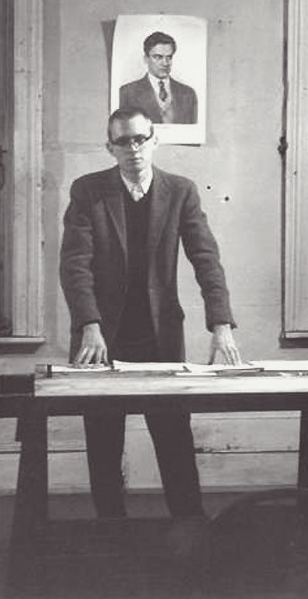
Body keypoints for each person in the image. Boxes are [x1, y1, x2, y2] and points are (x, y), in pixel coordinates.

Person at [60, 107, 240, 519]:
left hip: (160, 336)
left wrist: (221, 325)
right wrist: (89, 325)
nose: (133, 148)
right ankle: (112, 532)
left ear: (155, 140)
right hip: (102, 338)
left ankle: (191, 528)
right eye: (123, 141)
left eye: (140, 139)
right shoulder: (88, 191)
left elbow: (206, 259)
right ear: (110, 147)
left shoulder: (180, 191)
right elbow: (74, 265)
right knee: (104, 442)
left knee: (174, 437)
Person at [118, 32, 198, 124]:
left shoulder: (188, 94)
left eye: (169, 57)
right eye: (158, 57)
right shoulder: (127, 93)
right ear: (146, 59)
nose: (165, 63)